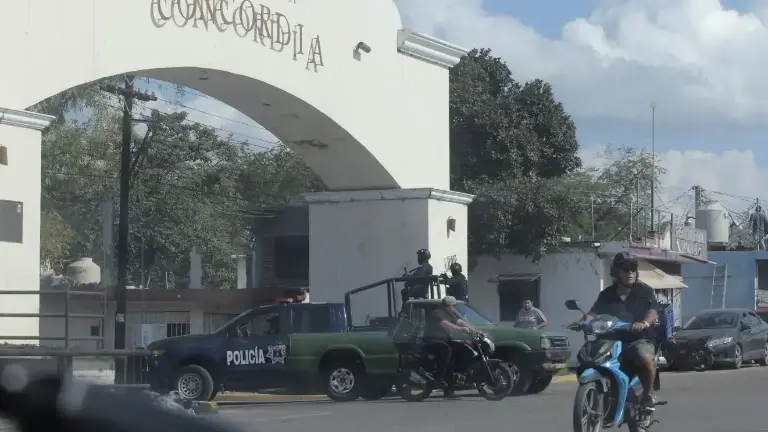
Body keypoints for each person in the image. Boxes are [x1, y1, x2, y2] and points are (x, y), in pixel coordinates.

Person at [573, 252, 659, 411]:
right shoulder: (606, 294)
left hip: (639, 338)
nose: (631, 273)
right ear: (616, 272)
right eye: (626, 269)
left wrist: (644, 323)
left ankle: (648, 395)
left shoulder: (645, 291)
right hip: (611, 340)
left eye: (633, 269)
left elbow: (653, 311)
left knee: (644, 357)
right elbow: (593, 313)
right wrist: (583, 322)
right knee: (588, 357)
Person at [422, 296, 473, 398]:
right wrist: (460, 329)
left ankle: (453, 383)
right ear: (449, 306)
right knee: (446, 350)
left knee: (462, 348)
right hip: (432, 340)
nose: (454, 308)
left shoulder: (449, 313)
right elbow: (445, 324)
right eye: (453, 306)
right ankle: (438, 377)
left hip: (444, 339)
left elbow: (460, 321)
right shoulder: (437, 313)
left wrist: (473, 329)